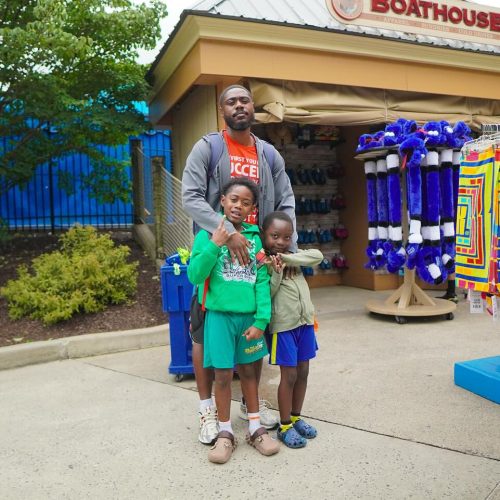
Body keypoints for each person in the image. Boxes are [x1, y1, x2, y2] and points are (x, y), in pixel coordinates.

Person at [181, 84, 296, 445]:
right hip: (216, 250)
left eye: (244, 100)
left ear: (252, 107)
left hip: (255, 258)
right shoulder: (209, 148)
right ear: (223, 111)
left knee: (251, 330)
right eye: (231, 101)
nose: (239, 106)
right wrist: (226, 232)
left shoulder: (268, 153)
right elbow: (191, 196)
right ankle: (208, 412)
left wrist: (281, 244)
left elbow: (286, 200)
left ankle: (250, 408)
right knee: (204, 332)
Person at [187, 177, 280, 464]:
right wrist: (216, 244)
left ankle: (255, 428)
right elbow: (195, 275)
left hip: (249, 320)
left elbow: (261, 282)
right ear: (223, 202)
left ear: (252, 208)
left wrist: (262, 320)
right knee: (223, 376)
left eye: (246, 202)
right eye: (234, 200)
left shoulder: (255, 240)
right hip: (218, 319)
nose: (239, 206)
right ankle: (225, 433)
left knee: (250, 374)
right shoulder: (206, 234)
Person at [262, 211, 323, 448]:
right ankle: (285, 425)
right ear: (265, 235)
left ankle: (297, 417)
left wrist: (288, 259)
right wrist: (277, 272)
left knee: (304, 371)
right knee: (289, 375)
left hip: (304, 324)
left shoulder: (293, 257)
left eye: (287, 237)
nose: (280, 241)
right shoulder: (265, 263)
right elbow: (267, 295)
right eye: (275, 236)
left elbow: (317, 256)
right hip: (284, 327)